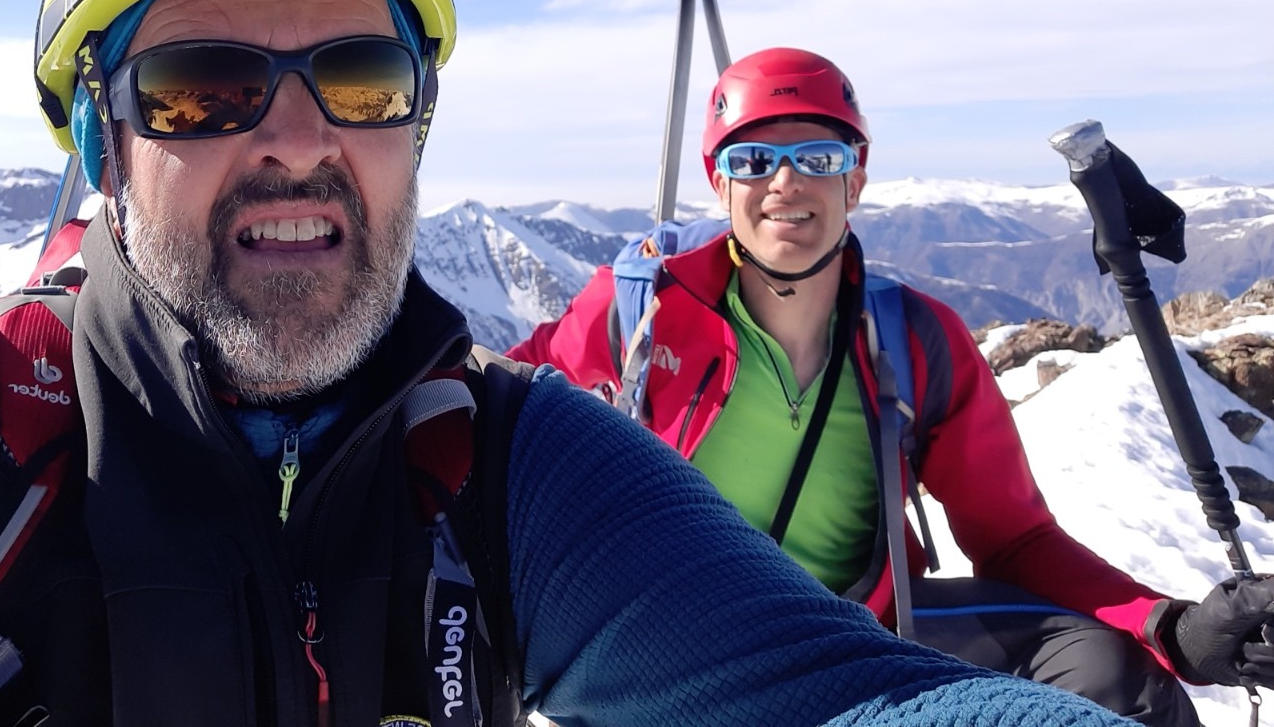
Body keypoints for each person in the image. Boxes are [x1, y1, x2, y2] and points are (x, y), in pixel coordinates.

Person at [0, 0, 1147, 727]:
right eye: (201, 86)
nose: (297, 138)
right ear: (97, 139)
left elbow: (840, 695)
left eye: (363, 78)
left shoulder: (498, 461)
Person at [509, 46, 1274, 726]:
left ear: (856, 178)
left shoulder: (914, 341)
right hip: (675, 648)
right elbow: (500, 403)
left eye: (819, 157)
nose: (785, 182)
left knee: (1111, 676)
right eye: (753, 160)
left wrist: (1169, 627)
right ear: (719, 181)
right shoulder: (641, 311)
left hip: (856, 637)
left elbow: (1015, 539)